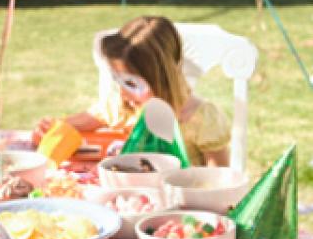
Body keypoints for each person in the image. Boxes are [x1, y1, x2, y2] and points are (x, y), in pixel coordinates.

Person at [35, 16, 231, 166]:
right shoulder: (123, 107)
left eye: (131, 84)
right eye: (117, 80)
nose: (122, 93)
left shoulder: (202, 119)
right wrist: (50, 127)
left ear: (163, 77)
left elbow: (219, 187)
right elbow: (72, 124)